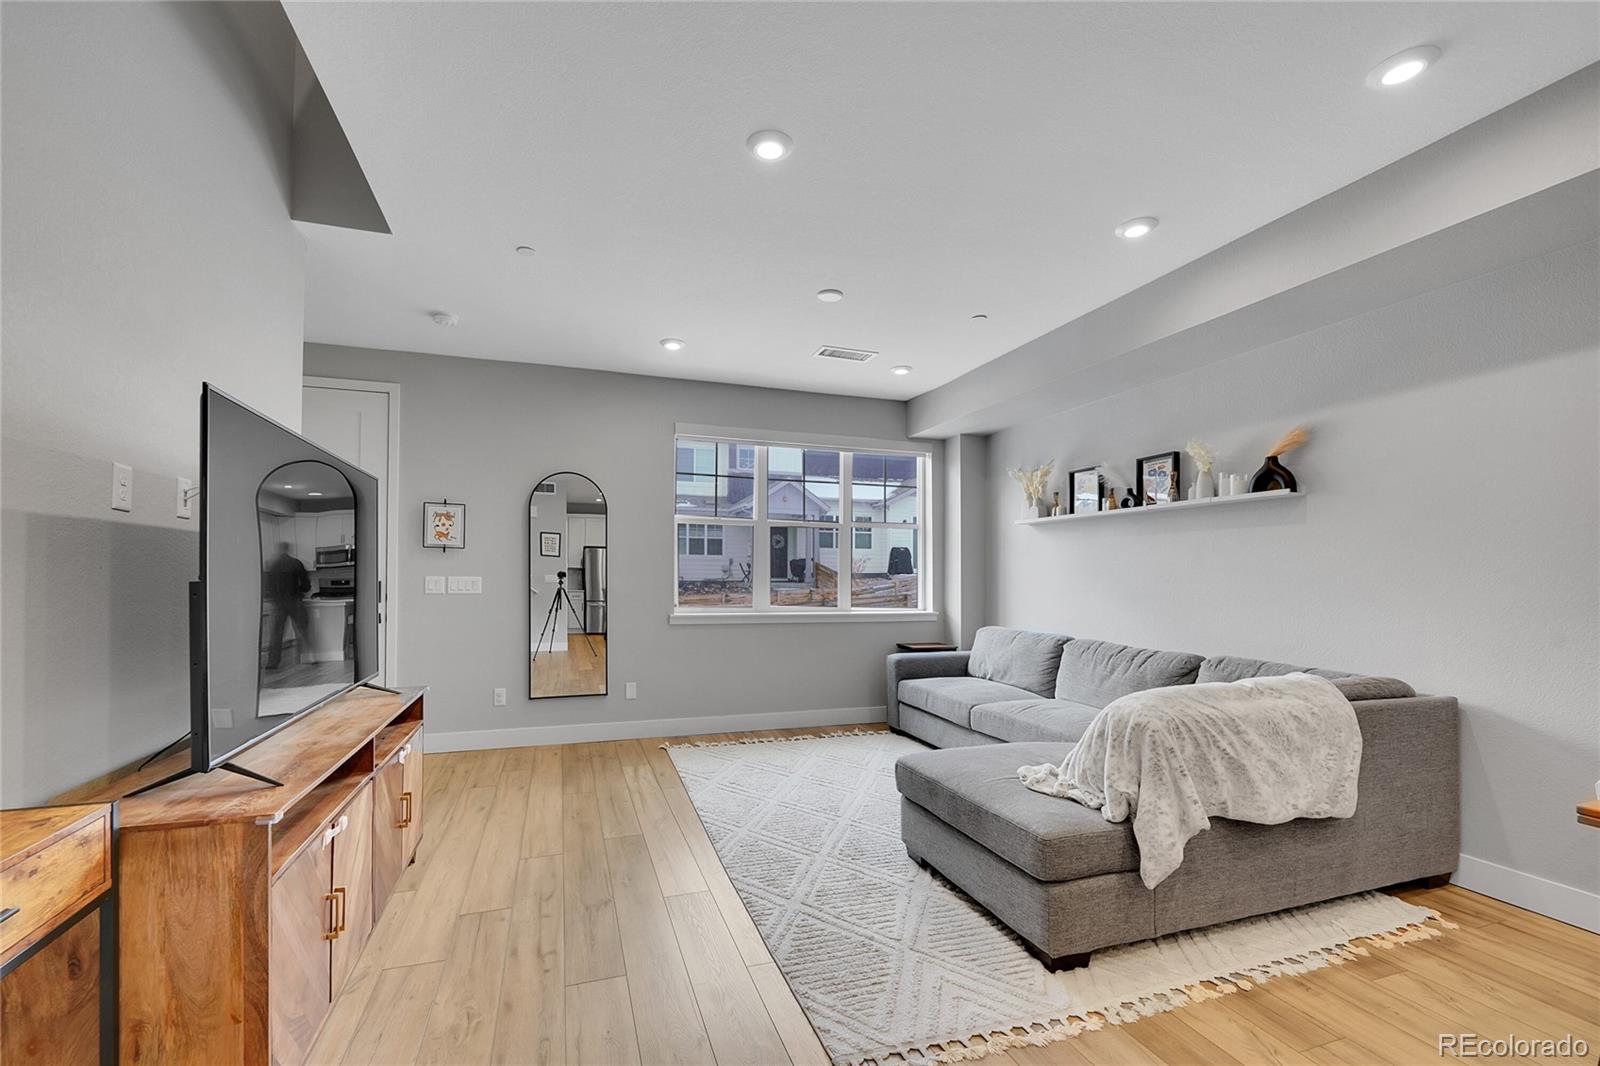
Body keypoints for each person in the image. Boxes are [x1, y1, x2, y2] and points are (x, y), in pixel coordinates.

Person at [263, 541, 311, 671]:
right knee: (303, 629)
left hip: (278, 603)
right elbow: (306, 584)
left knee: (276, 634)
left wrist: (274, 597)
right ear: (288, 549)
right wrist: (301, 590)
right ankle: (310, 656)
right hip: (295, 600)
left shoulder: (272, 565)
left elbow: (268, 586)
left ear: (279, 550)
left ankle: (272, 663)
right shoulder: (296, 563)